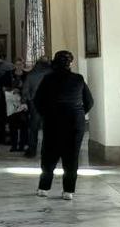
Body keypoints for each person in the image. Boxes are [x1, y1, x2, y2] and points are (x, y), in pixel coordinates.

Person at [34, 50, 94, 199]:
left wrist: (47, 114)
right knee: (72, 156)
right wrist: (78, 113)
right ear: (70, 63)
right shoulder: (78, 79)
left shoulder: (48, 79)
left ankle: (44, 188)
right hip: (74, 122)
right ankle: (68, 191)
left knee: (49, 155)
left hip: (53, 120)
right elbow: (89, 102)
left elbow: (37, 101)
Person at [21, 56, 51, 158]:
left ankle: (32, 150)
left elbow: (25, 90)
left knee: (33, 128)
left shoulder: (31, 74)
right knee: (49, 128)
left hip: (35, 104)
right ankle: (48, 151)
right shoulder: (52, 73)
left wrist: (26, 100)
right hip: (49, 104)